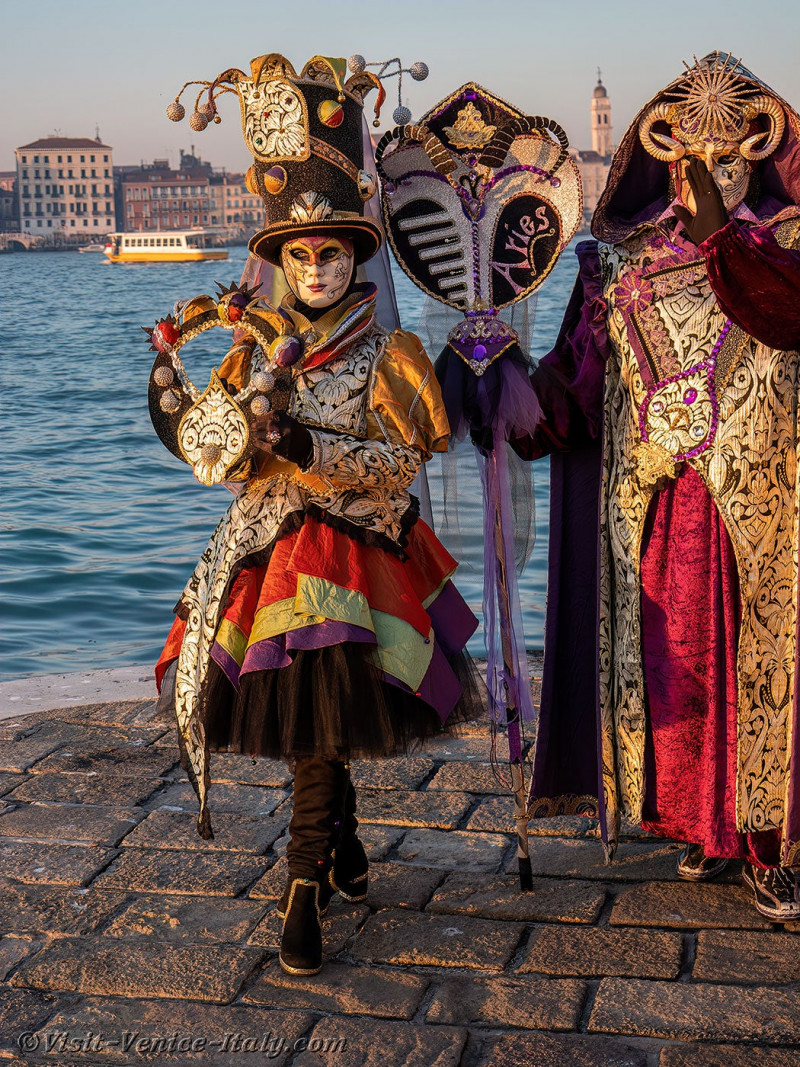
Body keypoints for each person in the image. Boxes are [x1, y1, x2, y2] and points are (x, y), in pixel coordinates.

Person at [151, 52, 482, 975]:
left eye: (331, 251)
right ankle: (339, 838)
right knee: (315, 729)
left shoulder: (392, 355)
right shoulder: (250, 350)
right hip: (268, 555)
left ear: (355, 256)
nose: (317, 267)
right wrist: (188, 412)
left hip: (359, 557)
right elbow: (221, 460)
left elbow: (399, 465)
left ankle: (302, 886)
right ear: (280, 263)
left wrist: (309, 450)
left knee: (324, 726)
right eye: (299, 254)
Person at [512, 53, 800, 919]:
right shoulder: (618, 262)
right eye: (692, 159)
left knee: (764, 666)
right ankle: (699, 824)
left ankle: (769, 839)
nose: (708, 174)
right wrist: (504, 388)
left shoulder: (789, 245)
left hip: (771, 509)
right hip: (660, 508)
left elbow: (784, 313)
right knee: (676, 667)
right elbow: (579, 383)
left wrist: (724, 242)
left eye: (727, 158)